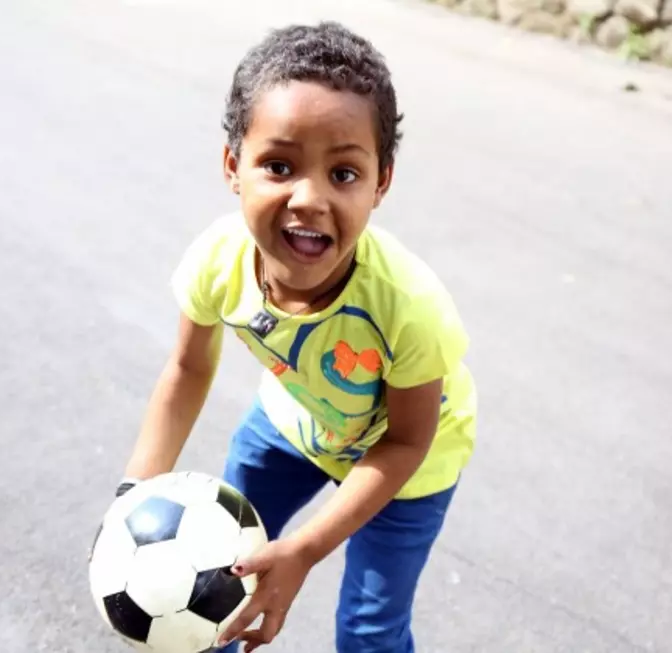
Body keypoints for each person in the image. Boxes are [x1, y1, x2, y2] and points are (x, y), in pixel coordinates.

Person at [116, 20, 477, 653]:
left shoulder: (410, 308)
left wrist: (306, 548)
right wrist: (132, 499)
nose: (308, 198)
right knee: (212, 578)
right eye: (279, 165)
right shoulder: (217, 263)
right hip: (293, 422)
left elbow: (407, 439)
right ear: (234, 167)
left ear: (380, 183)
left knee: (368, 631)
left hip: (408, 458)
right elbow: (187, 370)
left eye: (343, 174)